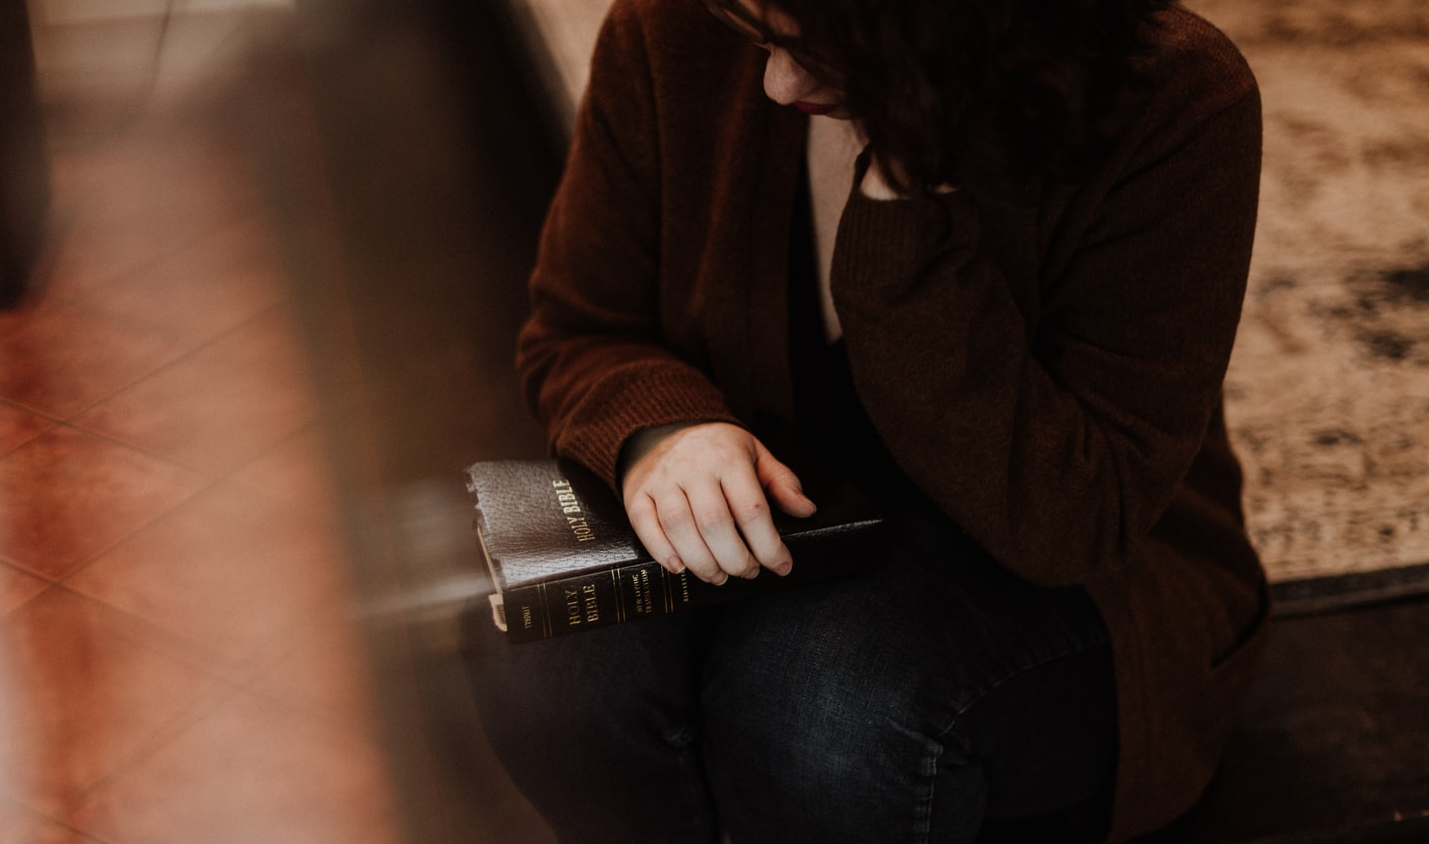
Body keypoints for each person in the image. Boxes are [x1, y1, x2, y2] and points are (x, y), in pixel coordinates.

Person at [464, 0, 1267, 841]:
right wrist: (664, 430)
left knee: (823, 712)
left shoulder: (1177, 99)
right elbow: (579, 323)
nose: (775, 83)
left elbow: (1074, 521)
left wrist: (908, 201)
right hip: (792, 523)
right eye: (760, 36)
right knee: (554, 670)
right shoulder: (676, 26)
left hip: (1071, 576)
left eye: (820, 51)